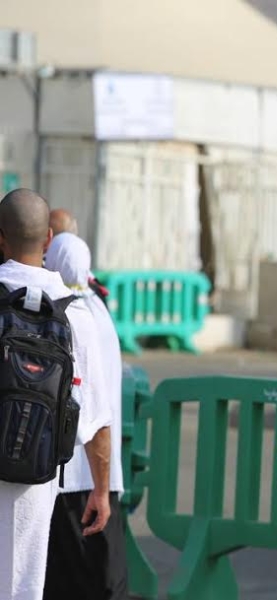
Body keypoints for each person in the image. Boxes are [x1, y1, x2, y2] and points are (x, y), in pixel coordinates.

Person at [0, 189, 111, 600]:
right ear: (48, 238)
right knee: (21, 585)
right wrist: (101, 490)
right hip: (35, 477)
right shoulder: (74, 313)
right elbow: (97, 419)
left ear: (0, 238)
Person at [42, 233, 127, 599]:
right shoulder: (99, 313)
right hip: (97, 472)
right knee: (104, 578)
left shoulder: (56, 313)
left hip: (57, 474)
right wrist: (104, 487)